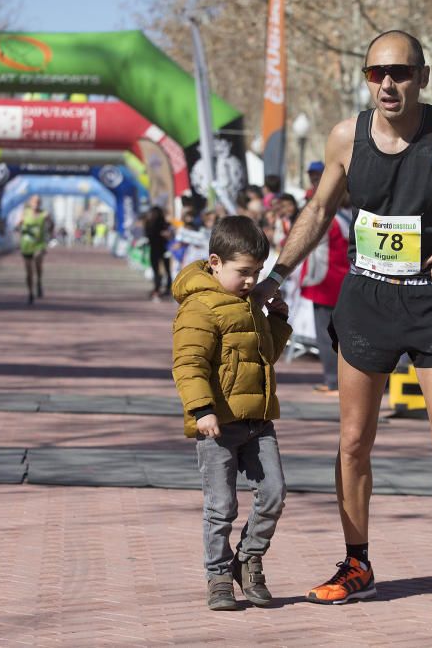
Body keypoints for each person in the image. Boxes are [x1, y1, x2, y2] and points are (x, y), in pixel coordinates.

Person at [252, 30, 432, 624]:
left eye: (401, 72)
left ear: (422, 77)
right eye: (377, 72)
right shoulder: (344, 138)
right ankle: (357, 564)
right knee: (354, 442)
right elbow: (320, 210)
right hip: (367, 305)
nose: (388, 84)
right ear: (365, 78)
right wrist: (277, 272)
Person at [171, 215, 293, 611]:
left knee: (273, 493)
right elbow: (189, 364)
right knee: (221, 506)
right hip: (217, 426)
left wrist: (277, 319)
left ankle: (249, 557)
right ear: (215, 262)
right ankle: (218, 574)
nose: (250, 281)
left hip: (258, 421)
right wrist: (202, 409)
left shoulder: (250, 303)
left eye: (256, 272)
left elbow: (267, 356)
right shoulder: (199, 307)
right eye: (243, 272)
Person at [300, 191, 352, 394]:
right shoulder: (348, 217)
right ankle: (342, 381)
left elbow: (307, 241)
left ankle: (333, 381)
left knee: (326, 335)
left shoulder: (329, 221)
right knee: (343, 335)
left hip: (324, 282)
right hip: (343, 280)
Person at [16, 194, 53, 305]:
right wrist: (20, 226)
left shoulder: (44, 214)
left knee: (37, 263)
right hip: (26, 245)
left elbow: (52, 224)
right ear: (30, 202)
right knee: (29, 272)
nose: (36, 203)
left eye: (38, 202)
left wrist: (50, 232)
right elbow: (18, 225)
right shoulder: (24, 213)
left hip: (39, 244)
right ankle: (30, 293)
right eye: (34, 201)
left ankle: (39, 282)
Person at [144, 206, 173, 300]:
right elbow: (170, 235)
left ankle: (157, 288)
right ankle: (167, 287)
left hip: (155, 249)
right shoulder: (165, 224)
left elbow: (148, 236)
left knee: (157, 270)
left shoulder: (149, 224)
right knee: (166, 269)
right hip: (163, 249)